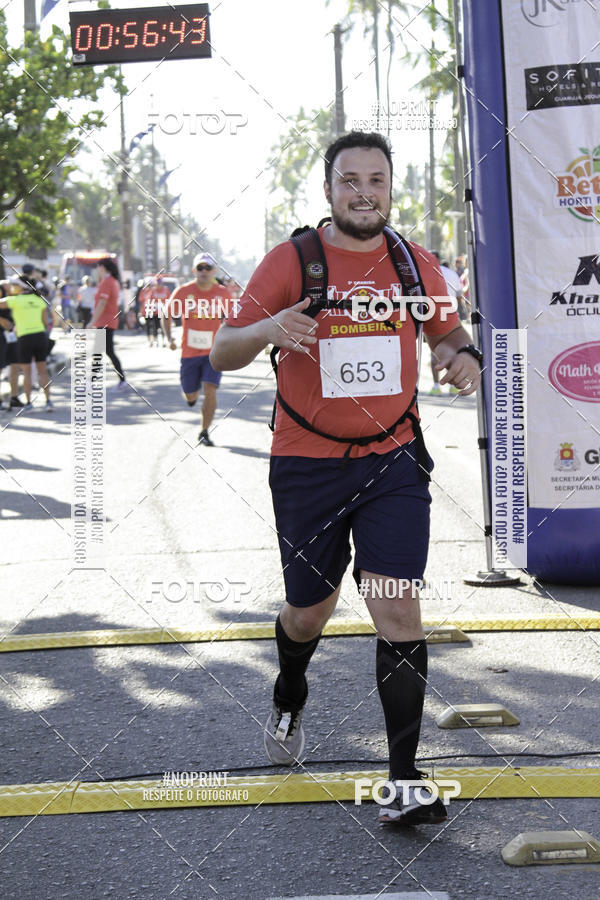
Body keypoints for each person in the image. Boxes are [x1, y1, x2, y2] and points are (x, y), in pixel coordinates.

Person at [210, 131, 482, 827]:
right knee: (310, 611)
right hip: (307, 466)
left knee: (396, 606)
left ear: (391, 188)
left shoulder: (415, 265)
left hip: (392, 460)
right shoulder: (292, 261)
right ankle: (291, 686)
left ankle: (402, 780)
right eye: (350, 181)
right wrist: (271, 325)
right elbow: (223, 350)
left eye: (377, 180)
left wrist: (464, 357)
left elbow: (446, 334)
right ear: (329, 191)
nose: (365, 192)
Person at [163, 253, 233, 446]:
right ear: (194, 271)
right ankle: (191, 397)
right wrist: (170, 337)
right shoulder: (184, 292)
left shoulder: (223, 293)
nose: (204, 272)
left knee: (210, 390)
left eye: (207, 268)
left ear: (214, 271)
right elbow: (166, 314)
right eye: (200, 268)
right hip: (189, 353)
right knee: (191, 394)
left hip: (213, 353)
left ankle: (204, 431)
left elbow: (235, 319)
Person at [0, 275, 53, 410]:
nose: (12, 287)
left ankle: (29, 403)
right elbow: (45, 322)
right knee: (43, 371)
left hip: (24, 338)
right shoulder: (39, 299)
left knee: (27, 372)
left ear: (21, 287)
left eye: (14, 285)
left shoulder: (14, 300)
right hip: (40, 336)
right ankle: (48, 402)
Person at [429, 252, 467, 395]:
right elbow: (459, 296)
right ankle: (454, 385)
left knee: (435, 353)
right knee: (453, 351)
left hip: (432, 315)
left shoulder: (426, 272)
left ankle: (436, 386)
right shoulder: (452, 273)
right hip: (451, 314)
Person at [90, 257, 128, 392]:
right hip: (106, 320)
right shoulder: (110, 281)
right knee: (102, 351)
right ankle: (95, 381)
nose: (96, 270)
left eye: (98, 267)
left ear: (103, 267)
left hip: (104, 321)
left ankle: (120, 380)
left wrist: (92, 321)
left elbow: (102, 303)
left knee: (105, 351)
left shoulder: (107, 282)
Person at [139, 276, 171, 346]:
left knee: (163, 327)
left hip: (163, 312)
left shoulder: (166, 289)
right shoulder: (153, 290)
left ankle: (164, 341)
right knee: (155, 327)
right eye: (157, 282)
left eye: (160, 282)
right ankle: (155, 340)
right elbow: (149, 300)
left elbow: (170, 299)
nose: (159, 284)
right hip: (155, 312)